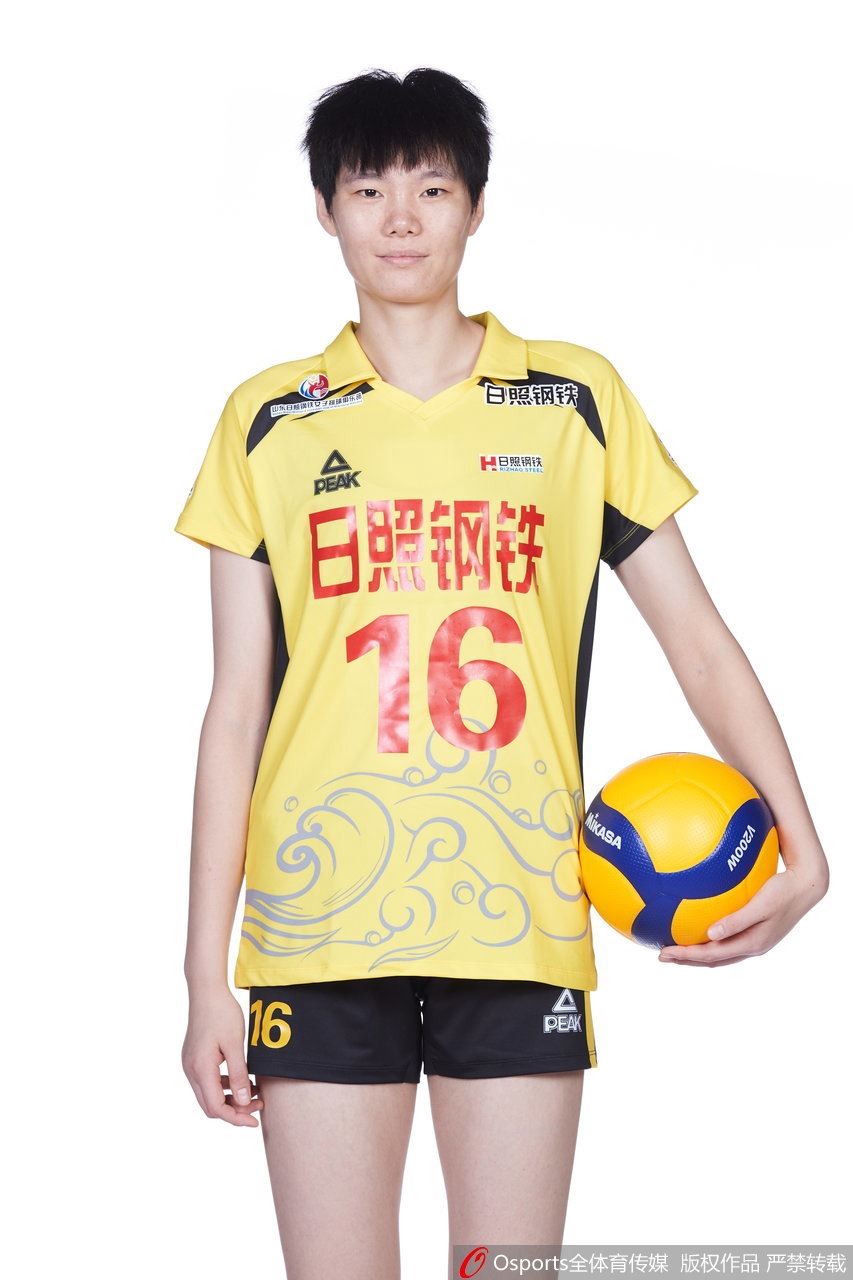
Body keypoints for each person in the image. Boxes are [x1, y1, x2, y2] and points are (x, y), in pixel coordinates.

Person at [173, 67, 830, 1279]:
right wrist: (201, 972)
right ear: (324, 208)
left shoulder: (573, 399)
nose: (401, 217)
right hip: (315, 927)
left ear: (476, 205)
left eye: (432, 187)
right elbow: (234, 709)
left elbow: (696, 638)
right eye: (368, 189)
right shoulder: (267, 418)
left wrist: (805, 844)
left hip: (520, 908)